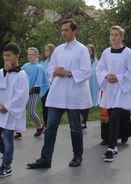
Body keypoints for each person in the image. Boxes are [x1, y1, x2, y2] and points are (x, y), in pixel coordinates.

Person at [27, 20, 92, 169]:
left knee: (75, 127)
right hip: (57, 94)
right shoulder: (59, 50)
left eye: (66, 30)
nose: (63, 33)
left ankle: (77, 155)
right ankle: (45, 158)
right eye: (62, 30)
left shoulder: (81, 50)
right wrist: (55, 72)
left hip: (73, 94)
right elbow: (50, 69)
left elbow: (86, 71)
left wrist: (68, 73)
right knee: (50, 127)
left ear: (74, 31)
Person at [97, 26, 131, 162]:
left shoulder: (129, 53)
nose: (113, 37)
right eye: (111, 35)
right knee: (110, 117)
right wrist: (106, 75)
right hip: (109, 89)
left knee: (115, 117)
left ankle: (111, 147)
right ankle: (113, 146)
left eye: (116, 35)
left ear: (121, 37)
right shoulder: (106, 52)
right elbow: (100, 68)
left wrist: (119, 78)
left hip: (121, 90)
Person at [0, 43, 30, 178]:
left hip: (10, 111)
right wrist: (4, 72)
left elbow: (22, 95)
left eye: (9, 56)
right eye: (4, 56)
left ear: (17, 56)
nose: (6, 59)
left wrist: (7, 107)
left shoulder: (22, 75)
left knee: (7, 138)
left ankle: (6, 165)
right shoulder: (2, 72)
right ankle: (6, 154)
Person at [20, 47, 50, 139]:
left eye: (33, 54)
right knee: (19, 112)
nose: (30, 56)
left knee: (31, 112)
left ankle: (40, 126)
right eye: (29, 54)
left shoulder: (39, 67)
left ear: (37, 55)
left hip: (33, 92)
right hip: (24, 92)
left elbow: (39, 81)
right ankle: (18, 131)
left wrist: (32, 90)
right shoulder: (25, 66)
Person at [81, 44, 98, 129]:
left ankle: (84, 121)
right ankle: (83, 120)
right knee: (82, 102)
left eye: (89, 51)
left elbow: (96, 73)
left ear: (92, 52)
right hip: (83, 84)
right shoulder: (82, 60)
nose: (88, 53)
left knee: (88, 103)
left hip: (92, 84)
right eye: (86, 51)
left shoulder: (95, 62)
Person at [39, 44, 55, 128]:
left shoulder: (53, 62)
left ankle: (49, 124)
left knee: (49, 106)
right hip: (43, 87)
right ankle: (46, 124)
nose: (45, 52)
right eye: (45, 50)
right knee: (44, 106)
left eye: (48, 50)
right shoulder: (42, 62)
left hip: (50, 86)